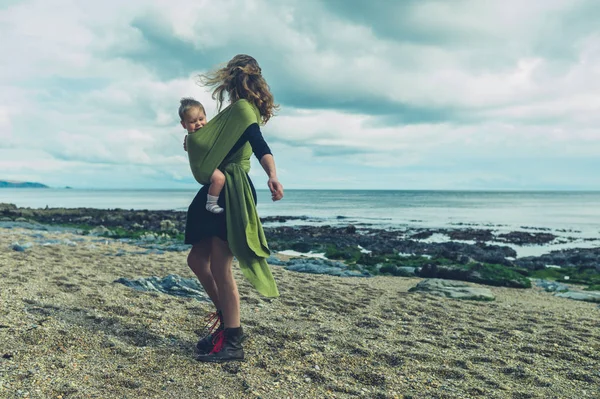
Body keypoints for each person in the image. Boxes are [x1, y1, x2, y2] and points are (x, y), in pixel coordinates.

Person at [183, 54, 284, 363]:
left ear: (232, 80)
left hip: (232, 192)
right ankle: (227, 323)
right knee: (197, 260)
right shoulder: (230, 114)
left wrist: (273, 176)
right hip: (217, 189)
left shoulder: (242, 111)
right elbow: (206, 140)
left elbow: (259, 145)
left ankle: (233, 341)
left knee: (219, 268)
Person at [179, 98, 226, 214]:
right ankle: (211, 203)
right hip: (202, 169)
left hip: (207, 165)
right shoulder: (193, 138)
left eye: (201, 119)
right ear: (184, 124)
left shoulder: (195, 137)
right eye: (193, 121)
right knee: (220, 179)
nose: (198, 124)